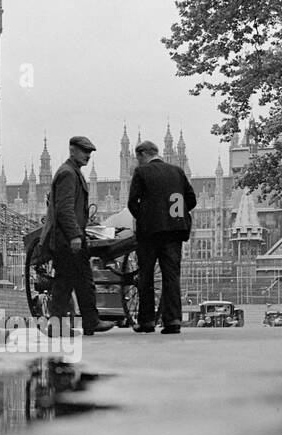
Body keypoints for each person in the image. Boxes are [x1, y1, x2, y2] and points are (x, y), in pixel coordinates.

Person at [38, 135, 114, 336]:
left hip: (71, 237)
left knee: (80, 281)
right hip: (66, 240)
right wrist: (74, 235)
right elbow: (64, 209)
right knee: (67, 283)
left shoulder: (73, 172)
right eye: (85, 151)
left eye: (90, 152)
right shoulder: (67, 173)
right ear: (73, 151)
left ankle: (89, 321)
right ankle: (70, 324)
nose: (88, 155)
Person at [126, 139, 197, 334]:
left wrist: (146, 217)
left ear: (142, 155)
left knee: (146, 277)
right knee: (171, 276)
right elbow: (191, 199)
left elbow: (132, 202)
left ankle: (147, 321)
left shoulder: (141, 172)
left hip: (150, 234)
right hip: (174, 232)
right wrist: (173, 215)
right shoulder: (177, 171)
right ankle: (173, 320)